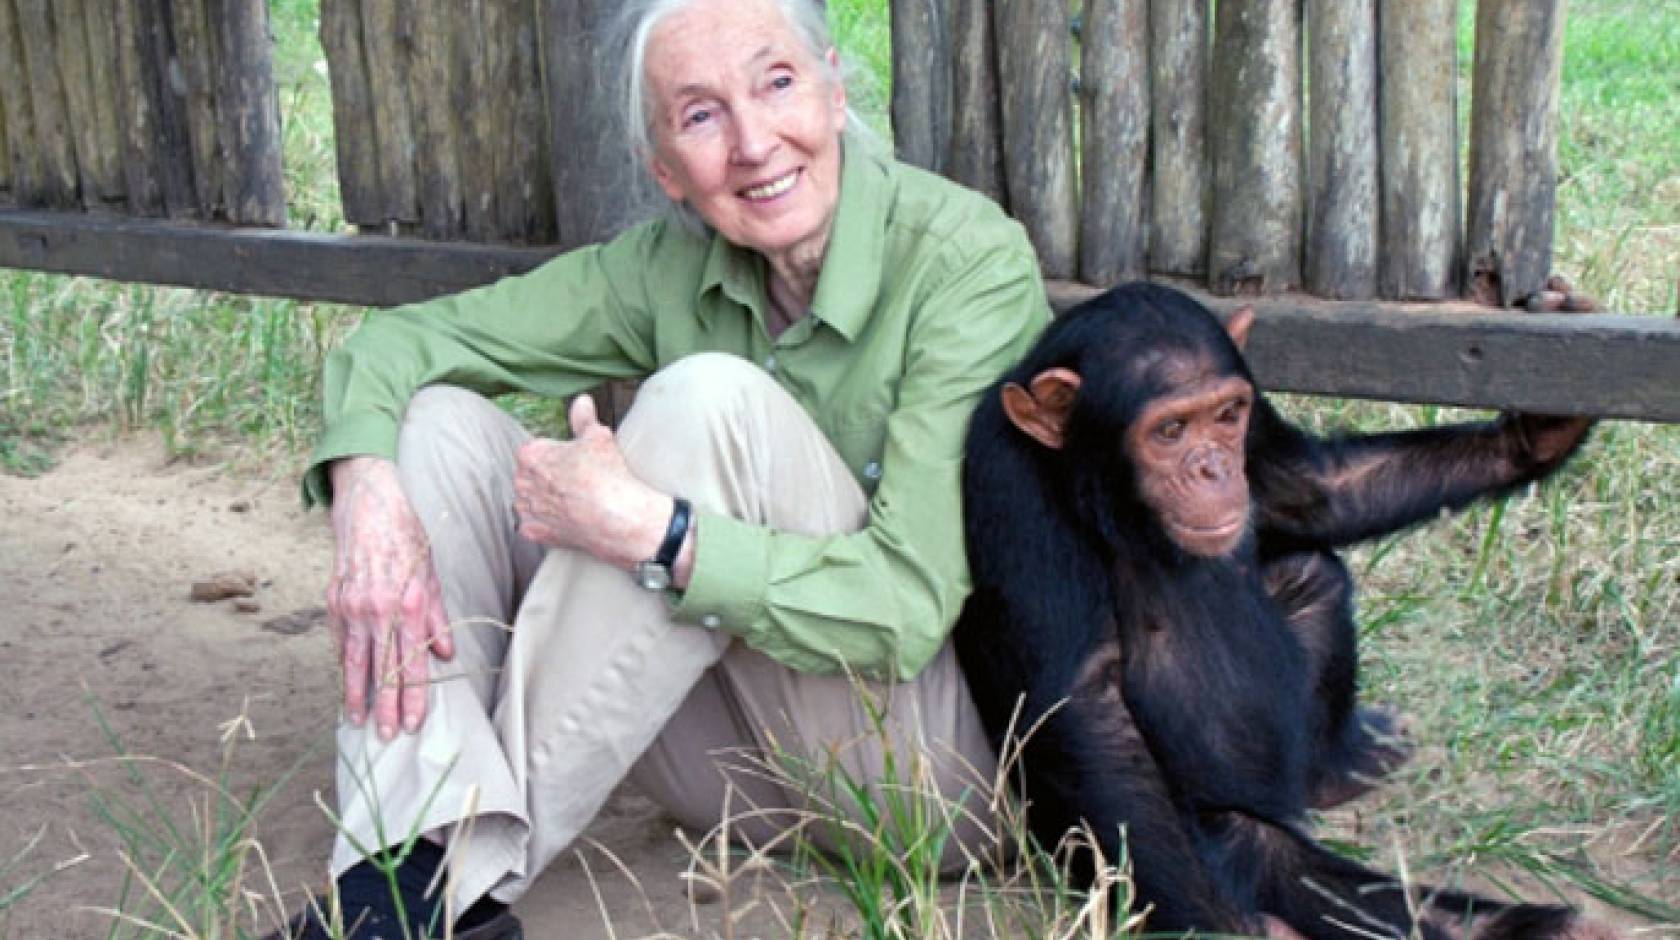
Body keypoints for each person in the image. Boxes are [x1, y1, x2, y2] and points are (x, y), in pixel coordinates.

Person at [277, 0, 1050, 936]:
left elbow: (905, 610)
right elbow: (406, 343)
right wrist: (364, 488)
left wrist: (657, 533)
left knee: (706, 401)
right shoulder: (664, 269)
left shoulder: (966, 262)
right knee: (430, 425)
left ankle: (425, 884)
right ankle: (405, 864)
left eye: (776, 84)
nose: (754, 142)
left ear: (835, 90)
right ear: (666, 170)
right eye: (699, 115)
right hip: (733, 773)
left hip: (927, 779)